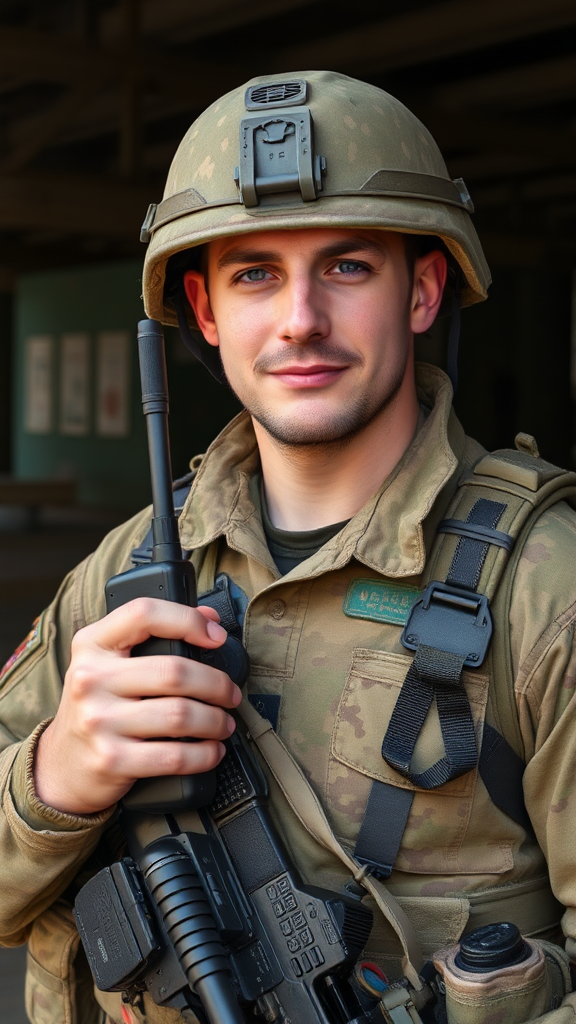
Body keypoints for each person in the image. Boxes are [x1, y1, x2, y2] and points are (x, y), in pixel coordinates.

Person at [1, 69, 575, 1024]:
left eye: (348, 267)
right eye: (255, 274)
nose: (300, 318)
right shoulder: (126, 571)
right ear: (208, 310)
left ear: (424, 291)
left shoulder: (542, 591)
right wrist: (55, 776)